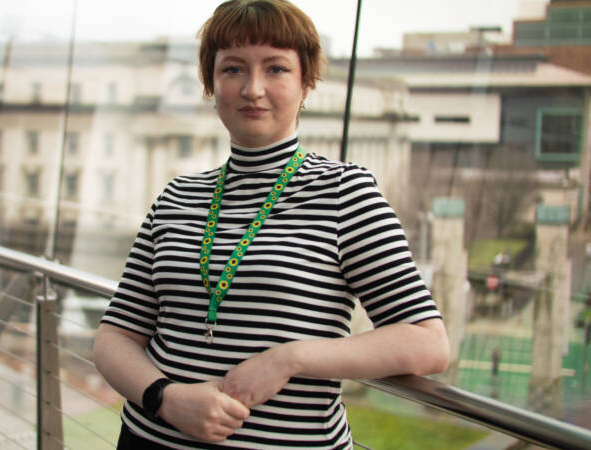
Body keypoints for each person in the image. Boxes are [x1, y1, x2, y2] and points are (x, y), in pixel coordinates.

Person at [93, 0, 450, 448]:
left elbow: (428, 343)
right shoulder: (177, 197)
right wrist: (166, 398)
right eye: (233, 69)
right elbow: (115, 335)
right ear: (211, 83)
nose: (253, 89)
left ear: (306, 84)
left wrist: (291, 359)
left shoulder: (345, 193)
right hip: (149, 439)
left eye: (277, 69)